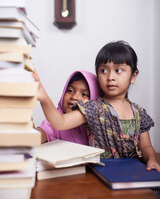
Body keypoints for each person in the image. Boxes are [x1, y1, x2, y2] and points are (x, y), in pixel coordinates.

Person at [33, 41, 160, 172]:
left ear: (133, 76)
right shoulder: (94, 108)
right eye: (104, 70)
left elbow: (146, 146)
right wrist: (44, 97)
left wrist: (151, 159)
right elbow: (60, 122)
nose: (110, 77)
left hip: (135, 173)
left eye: (118, 70)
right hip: (103, 174)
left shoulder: (139, 112)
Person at [35, 70, 101, 144]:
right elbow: (36, 136)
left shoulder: (97, 124)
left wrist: (43, 97)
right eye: (70, 90)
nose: (74, 97)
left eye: (84, 94)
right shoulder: (52, 121)